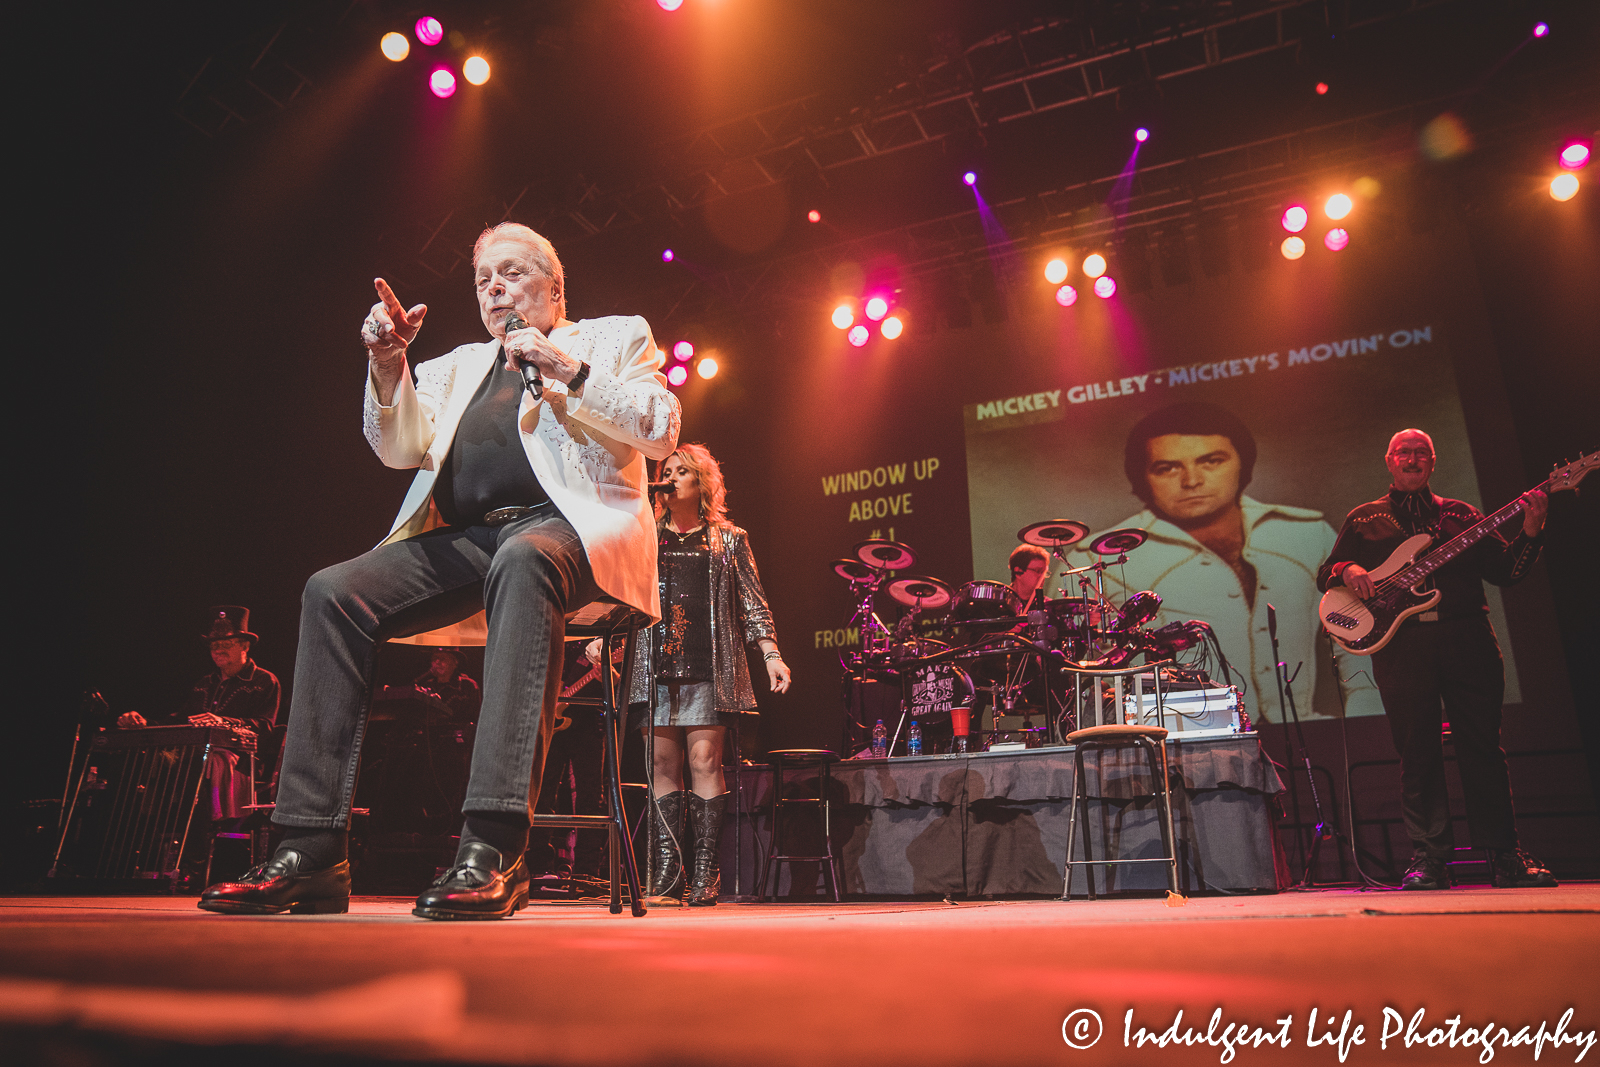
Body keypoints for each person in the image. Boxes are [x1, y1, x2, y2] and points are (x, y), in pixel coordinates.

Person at [199, 223, 680, 919]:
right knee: (331, 592)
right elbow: (398, 449)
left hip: (572, 529)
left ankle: (491, 848)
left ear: (554, 287)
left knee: (525, 556)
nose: (496, 288)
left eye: (512, 273)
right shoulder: (455, 366)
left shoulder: (611, 337)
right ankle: (309, 850)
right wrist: (387, 361)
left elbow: (661, 427)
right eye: (484, 279)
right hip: (468, 539)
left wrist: (565, 367)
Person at [1316, 429, 1554, 890]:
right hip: (1403, 648)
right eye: (1402, 452)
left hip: (1468, 639)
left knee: (1483, 748)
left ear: (1432, 462)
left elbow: (1506, 573)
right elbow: (1326, 574)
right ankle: (1429, 859)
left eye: (1419, 453)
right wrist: (1348, 568)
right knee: (1417, 753)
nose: (1411, 459)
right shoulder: (1364, 518)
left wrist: (1531, 531)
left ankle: (1505, 857)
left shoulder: (1461, 515)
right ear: (1389, 460)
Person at [1072, 401, 1380, 722]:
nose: (1192, 480)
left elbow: (1354, 634)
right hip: (1177, 738)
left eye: (1211, 461)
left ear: (1242, 464)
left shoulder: (1307, 533)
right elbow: (1078, 671)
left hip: (1304, 735)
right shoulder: (1094, 556)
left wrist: (1369, 715)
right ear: (1142, 478)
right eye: (1167, 468)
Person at [626, 444, 790, 906]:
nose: (671, 477)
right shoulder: (644, 536)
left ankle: (705, 873)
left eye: (682, 471)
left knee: (703, 763)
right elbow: (624, 591)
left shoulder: (729, 539)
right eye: (667, 471)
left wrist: (771, 653)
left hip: (707, 666)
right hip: (653, 664)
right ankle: (665, 874)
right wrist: (608, 635)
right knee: (660, 766)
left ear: (702, 483)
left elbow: (752, 601)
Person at [118, 606, 280, 820]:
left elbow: (265, 728)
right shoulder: (204, 684)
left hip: (239, 762)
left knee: (198, 763)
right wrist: (143, 723)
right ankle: (146, 829)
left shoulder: (264, 681)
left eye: (226, 644)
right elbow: (180, 721)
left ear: (245, 646)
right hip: (193, 758)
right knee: (142, 758)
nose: (218, 650)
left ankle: (194, 840)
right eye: (214, 645)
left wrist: (221, 722)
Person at [413, 648, 481, 720]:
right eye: (435, 658)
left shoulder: (467, 685)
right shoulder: (427, 685)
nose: (437, 662)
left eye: (443, 659)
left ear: (454, 663)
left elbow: (475, 715)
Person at [1007, 544, 1051, 612]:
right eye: (1037, 571)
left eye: (1044, 572)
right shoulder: (1003, 602)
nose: (1042, 577)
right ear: (1018, 572)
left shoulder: (1048, 606)